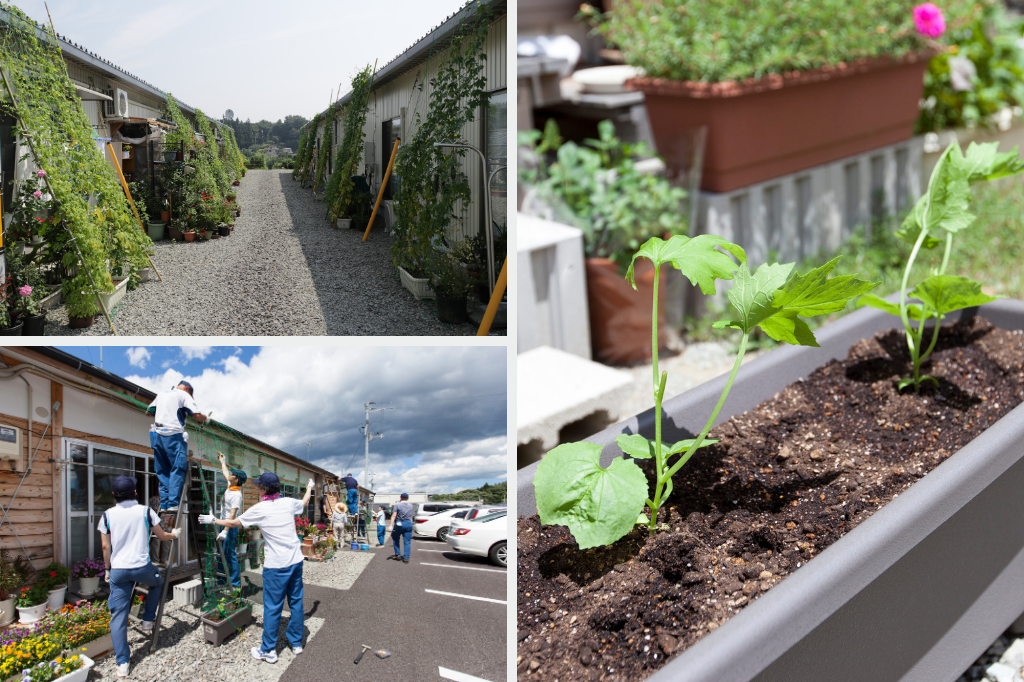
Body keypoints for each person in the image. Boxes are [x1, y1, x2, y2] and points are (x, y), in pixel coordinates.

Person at [200, 472, 313, 664]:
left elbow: (234, 522)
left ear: (264, 489)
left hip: (277, 566)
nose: (257, 488)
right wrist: (309, 487)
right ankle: (296, 643)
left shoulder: (260, 508)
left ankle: (268, 650)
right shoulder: (287, 502)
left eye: (259, 485)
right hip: (296, 561)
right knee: (296, 602)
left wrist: (213, 520)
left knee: (273, 607)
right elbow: (304, 503)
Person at [99, 475, 181, 678]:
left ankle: (123, 663)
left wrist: (107, 569)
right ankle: (147, 619)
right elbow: (162, 536)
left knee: (118, 616)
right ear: (135, 493)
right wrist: (175, 534)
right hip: (142, 568)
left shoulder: (107, 515)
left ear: (113, 495)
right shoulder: (147, 511)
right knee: (158, 583)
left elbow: (105, 546)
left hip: (118, 571)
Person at [146, 381, 208, 513]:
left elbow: (149, 411)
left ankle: (164, 504)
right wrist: (205, 418)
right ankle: (173, 504)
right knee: (177, 467)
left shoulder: (161, 394)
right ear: (187, 388)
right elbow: (196, 415)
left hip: (157, 435)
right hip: (173, 435)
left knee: (162, 470)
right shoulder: (183, 394)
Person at [216, 452, 247, 588]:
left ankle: (235, 584)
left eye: (232, 474)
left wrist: (225, 530)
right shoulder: (231, 485)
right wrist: (223, 461)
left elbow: (233, 515)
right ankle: (222, 581)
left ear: (236, 480)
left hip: (230, 525)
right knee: (221, 553)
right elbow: (225, 472)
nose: (230, 474)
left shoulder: (236, 495)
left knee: (230, 553)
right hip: (223, 522)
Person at [388, 493, 415, 564]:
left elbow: (394, 515)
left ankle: (397, 553)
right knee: (407, 541)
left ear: (400, 497)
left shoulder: (397, 505)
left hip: (399, 523)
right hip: (408, 523)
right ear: (408, 498)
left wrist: (391, 525)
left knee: (395, 537)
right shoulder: (411, 505)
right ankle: (406, 557)